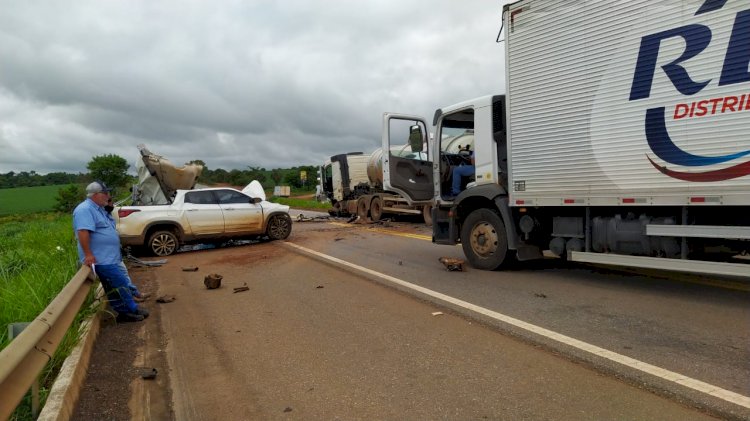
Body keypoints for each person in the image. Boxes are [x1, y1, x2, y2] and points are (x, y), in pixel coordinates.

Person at [73, 181, 149, 322]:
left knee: (113, 286)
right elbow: (83, 231)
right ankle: (131, 309)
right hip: (101, 258)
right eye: (105, 193)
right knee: (119, 283)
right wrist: (88, 255)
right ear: (95, 195)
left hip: (109, 257)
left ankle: (125, 312)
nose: (108, 196)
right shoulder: (85, 209)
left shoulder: (98, 209)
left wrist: (108, 206)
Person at [104, 197, 150, 303]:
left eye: (111, 201)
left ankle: (134, 294)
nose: (112, 204)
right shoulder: (100, 215)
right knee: (121, 276)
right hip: (107, 255)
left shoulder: (108, 216)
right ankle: (131, 296)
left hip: (115, 252)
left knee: (124, 273)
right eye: (109, 202)